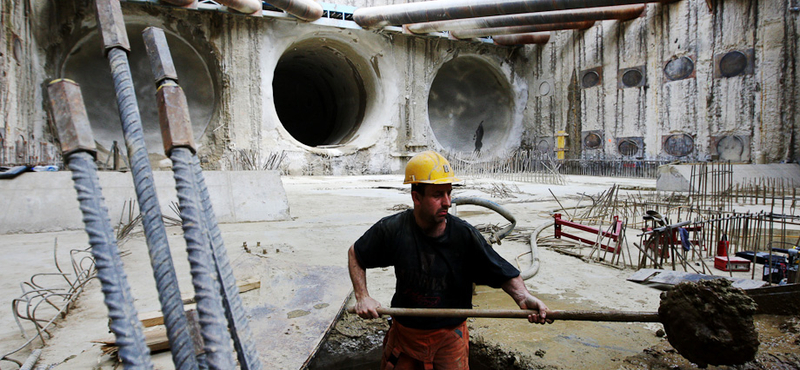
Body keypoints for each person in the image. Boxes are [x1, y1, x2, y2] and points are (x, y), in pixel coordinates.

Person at [347, 150, 551, 370]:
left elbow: (500, 270)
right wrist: (362, 296)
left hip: (449, 338)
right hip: (406, 335)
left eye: (448, 193)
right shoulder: (394, 229)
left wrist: (523, 297)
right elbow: (355, 254)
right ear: (416, 197)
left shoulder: (464, 236)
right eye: (437, 195)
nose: (447, 202)